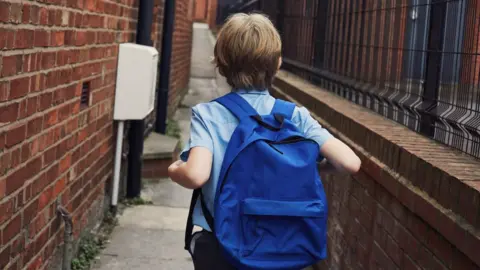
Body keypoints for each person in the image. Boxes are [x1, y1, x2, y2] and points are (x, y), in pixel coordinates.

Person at [168, 13, 361, 270]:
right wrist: (312, 166)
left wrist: (173, 169)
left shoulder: (209, 114)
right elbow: (350, 163)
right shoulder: (295, 116)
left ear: (221, 63)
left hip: (222, 244)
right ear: (278, 63)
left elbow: (195, 175)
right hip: (283, 243)